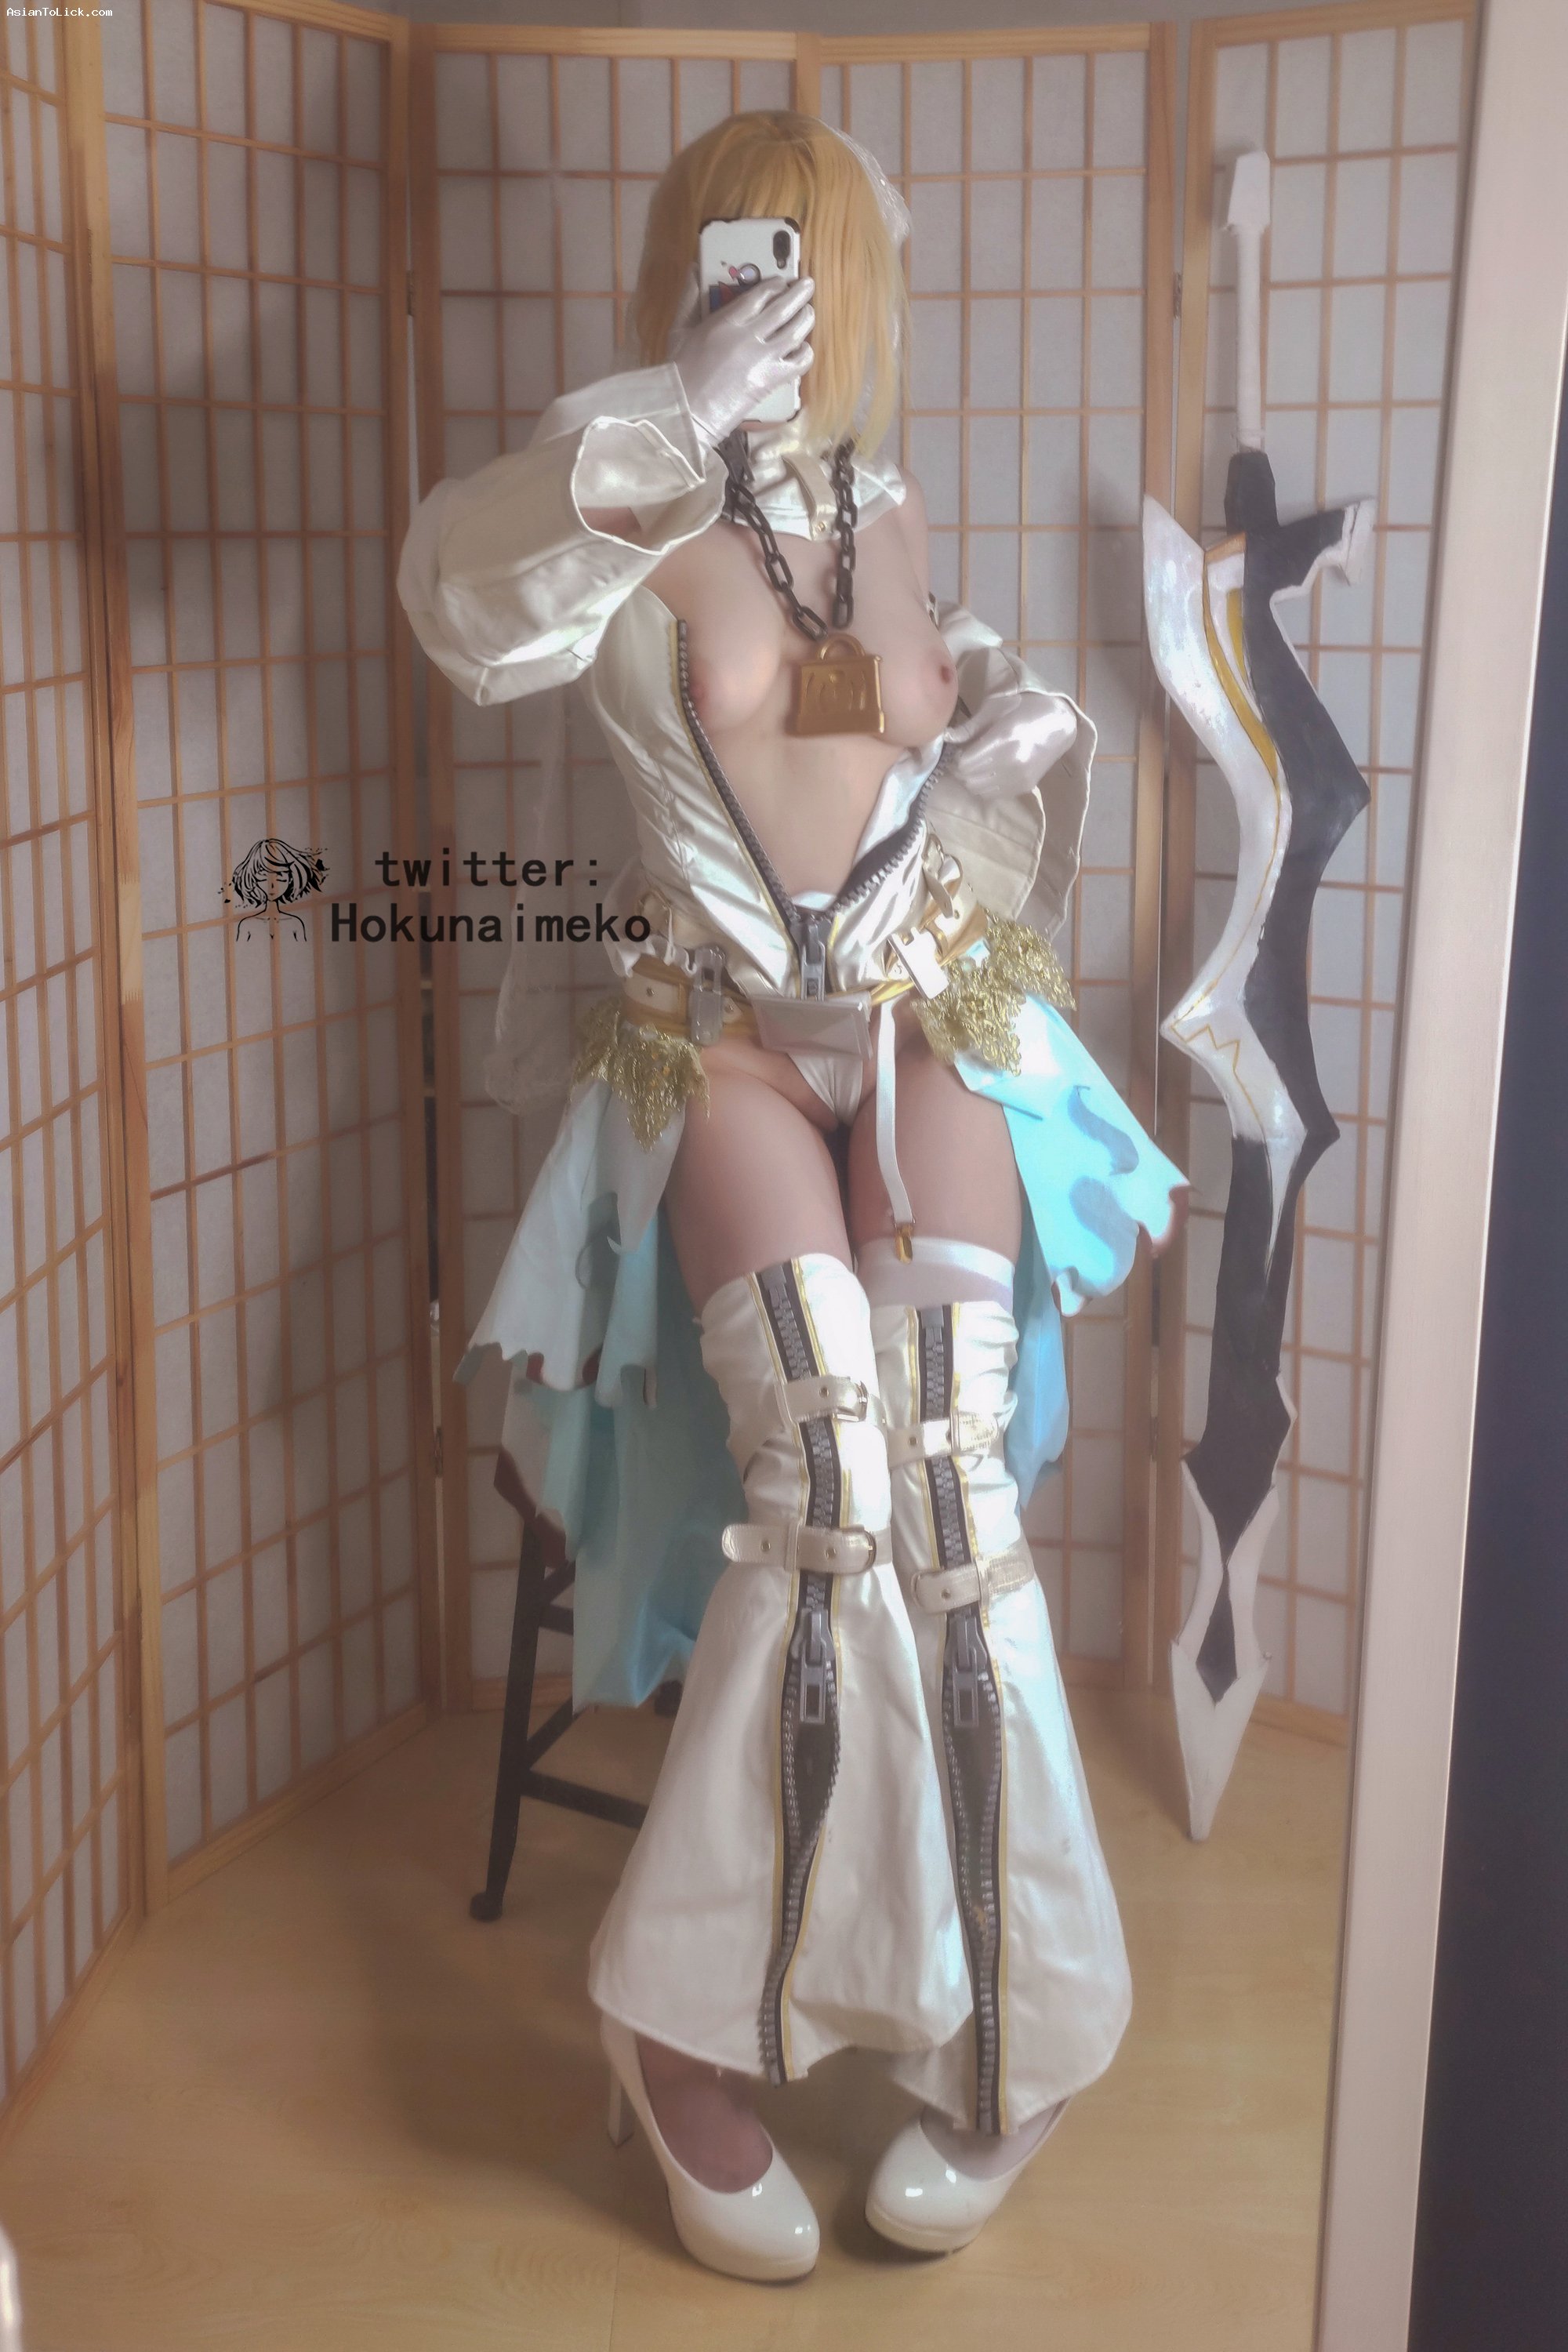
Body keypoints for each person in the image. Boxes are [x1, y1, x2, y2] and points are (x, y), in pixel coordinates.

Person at [397, 111, 1186, 2283]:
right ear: (698, 263)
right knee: (833, 1469)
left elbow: (889, 756)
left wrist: (995, 742)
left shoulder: (884, 514)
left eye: (823, 265)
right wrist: (665, 410)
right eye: (754, 257)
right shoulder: (613, 489)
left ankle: (1021, 2027)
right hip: (721, 1034)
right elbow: (458, 606)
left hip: (933, 1018)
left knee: (947, 1478)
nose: (790, 303)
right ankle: (684, 2030)